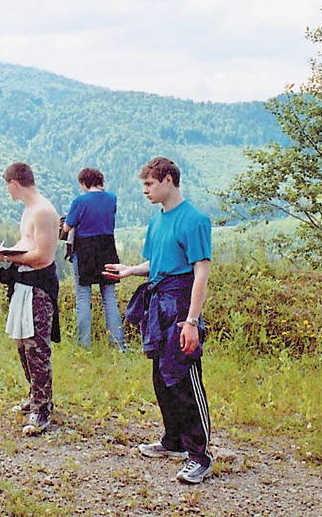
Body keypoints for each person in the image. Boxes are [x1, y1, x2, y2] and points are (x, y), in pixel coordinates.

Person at [104, 157, 213, 484]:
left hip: (181, 306)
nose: (145, 190)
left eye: (149, 184)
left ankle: (200, 455)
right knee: (162, 377)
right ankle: (173, 441)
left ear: (168, 180)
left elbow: (201, 273)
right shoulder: (157, 220)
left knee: (183, 380)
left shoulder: (194, 220)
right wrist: (130, 270)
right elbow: (156, 263)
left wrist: (191, 321)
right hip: (158, 303)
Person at [0, 162, 60, 436]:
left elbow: (43, 257)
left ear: (14, 182)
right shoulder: (29, 210)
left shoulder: (43, 211)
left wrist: (6, 257)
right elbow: (27, 245)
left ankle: (43, 408)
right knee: (22, 345)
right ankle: (34, 397)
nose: (7, 191)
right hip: (23, 283)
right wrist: (6, 251)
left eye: (7, 185)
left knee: (36, 347)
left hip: (38, 287)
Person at [63, 167, 126, 351]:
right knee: (109, 297)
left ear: (84, 182)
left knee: (83, 297)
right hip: (107, 247)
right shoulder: (112, 198)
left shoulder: (80, 201)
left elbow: (67, 227)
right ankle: (118, 344)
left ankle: (84, 345)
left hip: (85, 250)